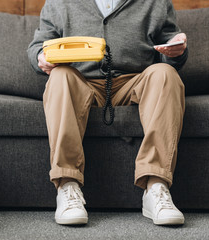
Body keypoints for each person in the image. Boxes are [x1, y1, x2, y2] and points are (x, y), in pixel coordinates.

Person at [27, 0, 188, 226]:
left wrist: (176, 52)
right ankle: (67, 186)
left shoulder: (157, 2)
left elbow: (170, 49)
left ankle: (157, 187)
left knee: (166, 74)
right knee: (60, 76)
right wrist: (41, 57)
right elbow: (37, 46)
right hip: (80, 82)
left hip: (135, 81)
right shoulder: (58, 2)